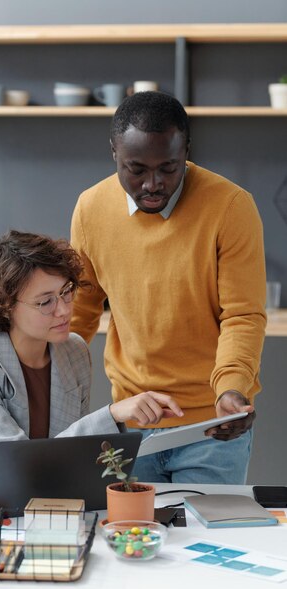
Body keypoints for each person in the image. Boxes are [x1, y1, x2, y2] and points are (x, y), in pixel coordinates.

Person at [70, 91, 266, 484]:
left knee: (206, 545)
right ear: (114, 152)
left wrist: (231, 390)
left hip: (211, 427)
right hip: (130, 424)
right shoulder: (90, 209)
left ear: (187, 151)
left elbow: (242, 315)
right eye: (136, 169)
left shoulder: (230, 207)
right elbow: (78, 314)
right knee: (130, 542)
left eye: (169, 168)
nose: (152, 184)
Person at [0, 230, 182, 477]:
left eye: (66, 292)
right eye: (45, 302)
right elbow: (19, 459)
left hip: (50, 491)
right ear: (5, 305)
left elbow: (71, 454)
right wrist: (112, 414)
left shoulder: (74, 351)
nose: (64, 310)